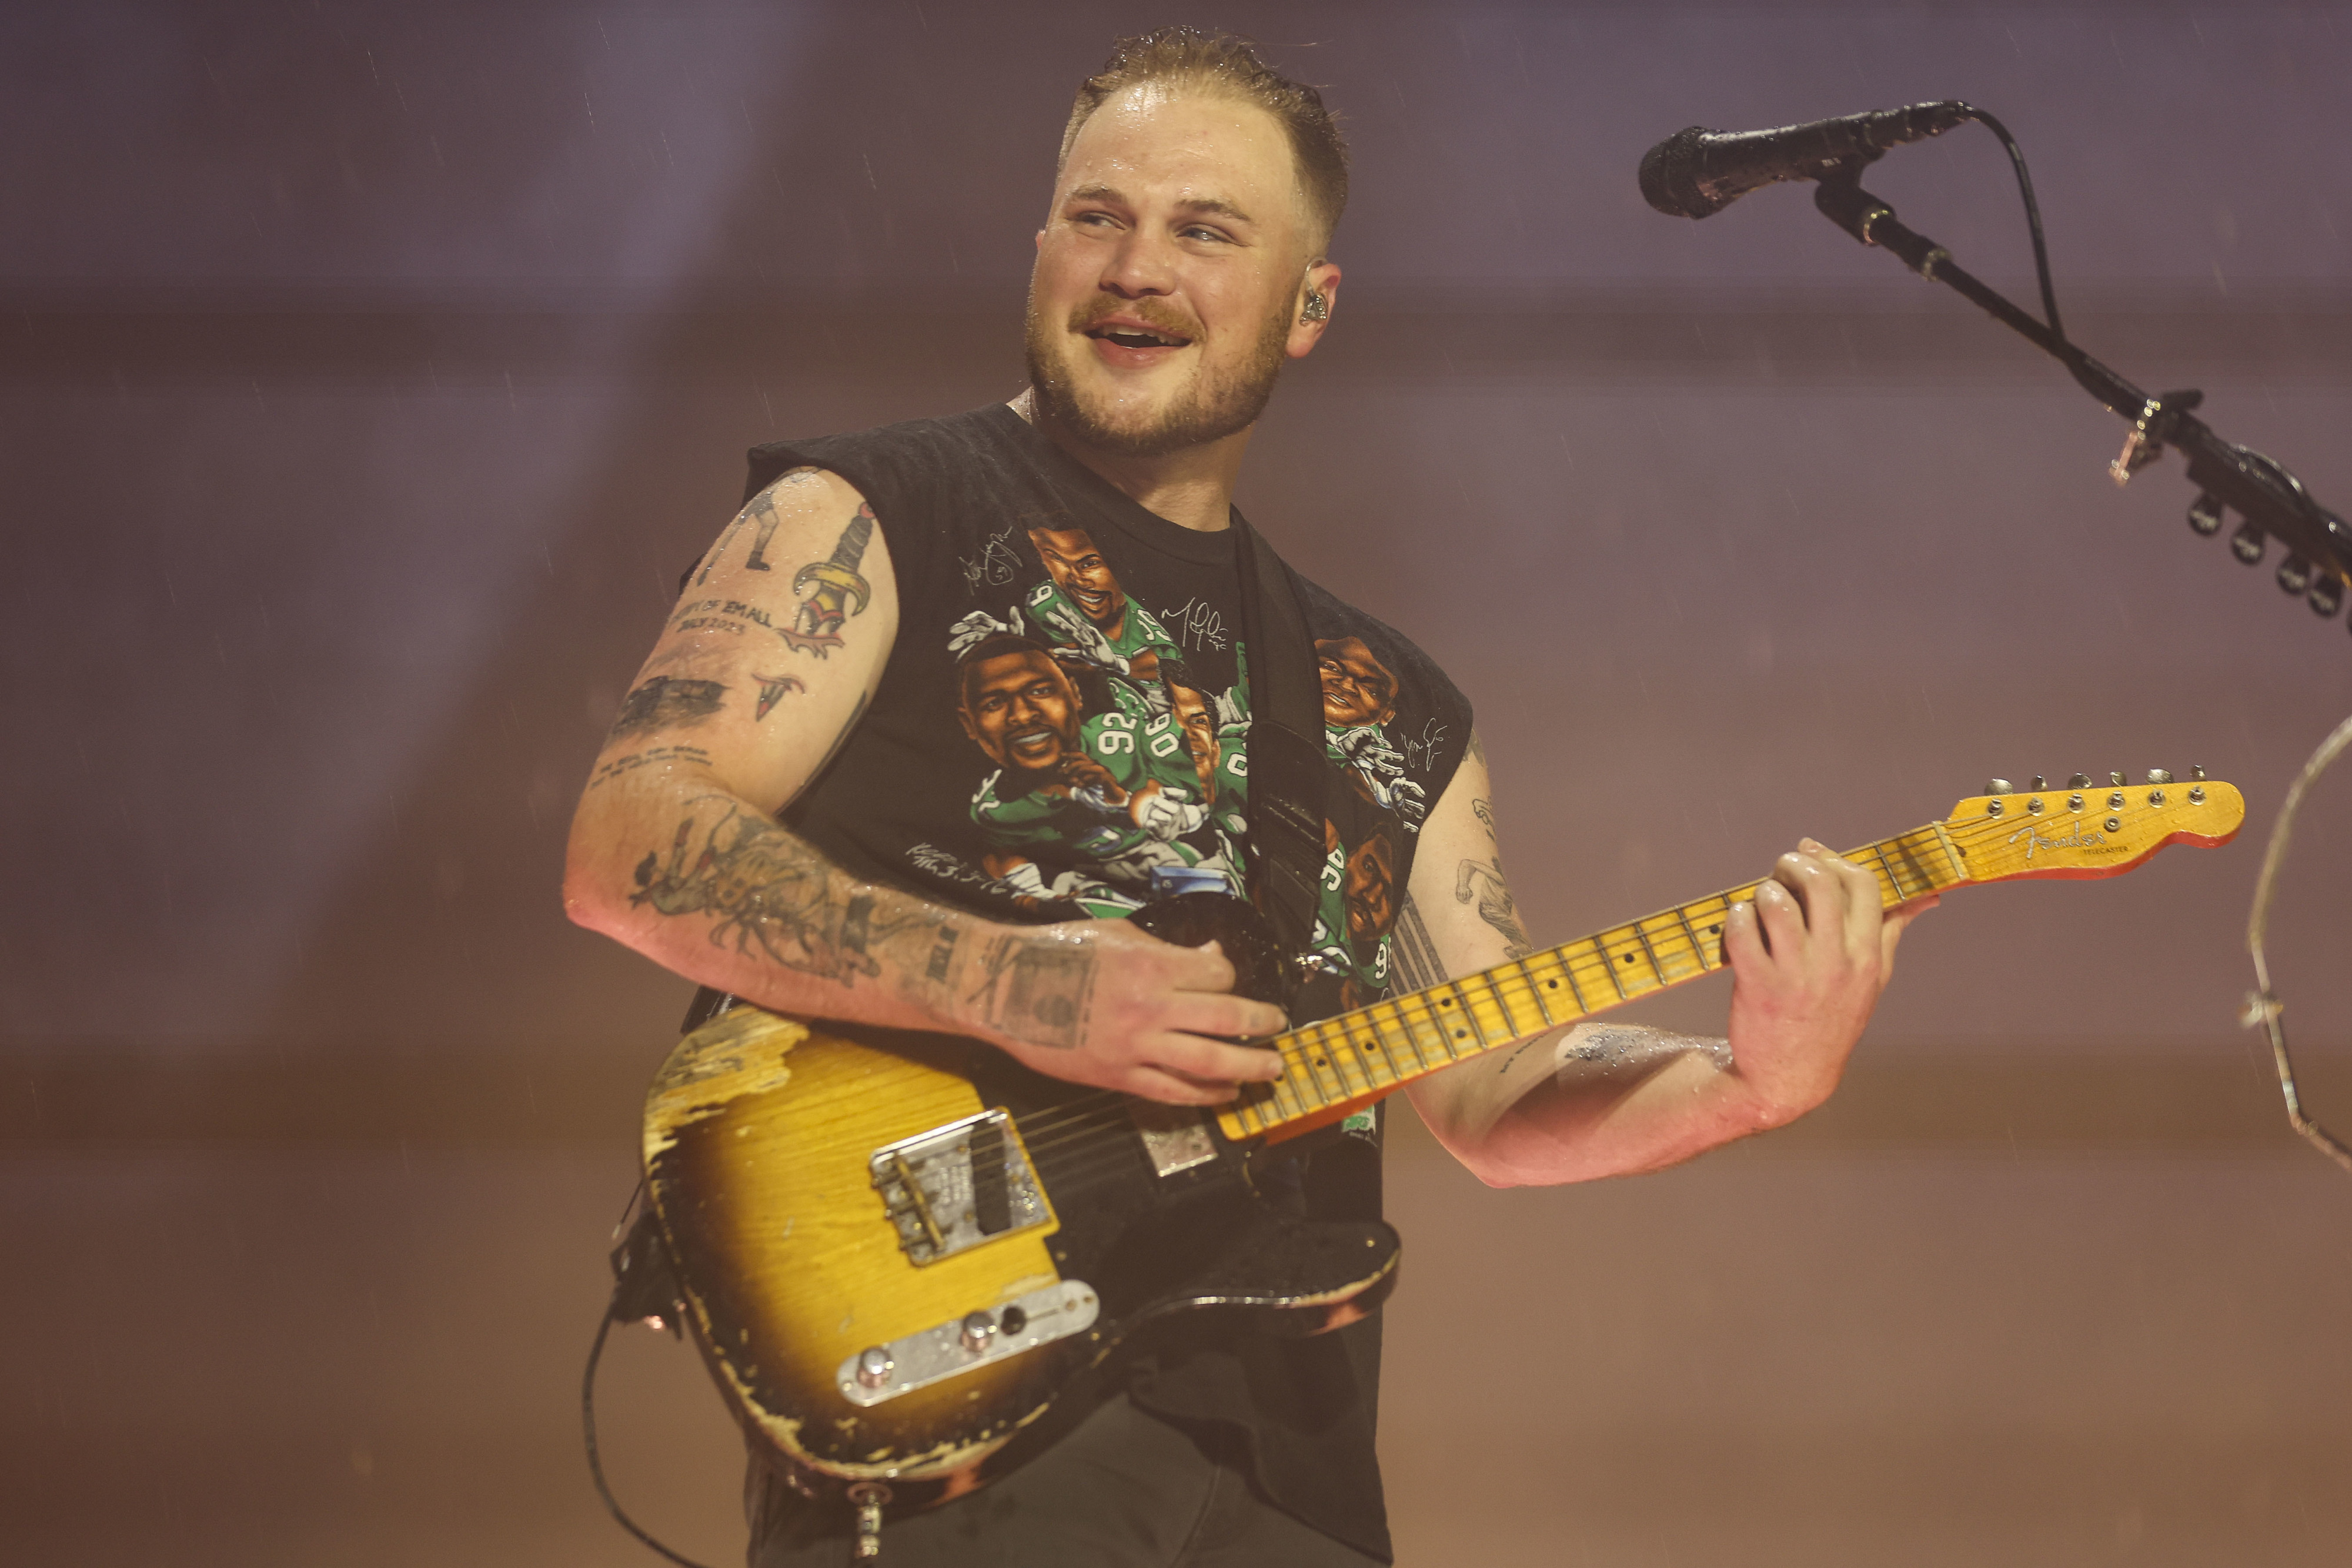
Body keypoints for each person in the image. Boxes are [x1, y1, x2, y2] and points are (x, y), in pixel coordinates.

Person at [564, 27, 1933, 1567]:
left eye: (1205, 230)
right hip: (973, 1426)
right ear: (1041, 249)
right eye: (1098, 217)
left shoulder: (1392, 702)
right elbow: (632, 843)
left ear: (1308, 307)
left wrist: (1758, 1079)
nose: (1136, 265)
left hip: (1294, 1485)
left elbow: (1494, 1096)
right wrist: (1022, 985)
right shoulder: (867, 516)